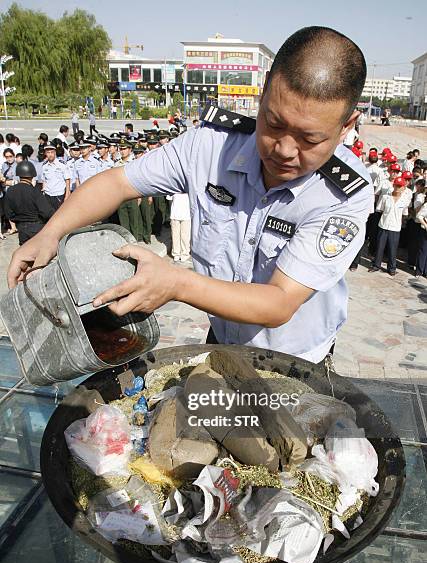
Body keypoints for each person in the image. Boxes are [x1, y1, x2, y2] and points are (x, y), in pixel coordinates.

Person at [8, 26, 374, 366]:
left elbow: (279, 302)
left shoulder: (342, 195)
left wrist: (177, 283)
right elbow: (117, 182)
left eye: (310, 139)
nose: (284, 150)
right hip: (221, 338)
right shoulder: (210, 147)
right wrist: (50, 234)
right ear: (264, 91)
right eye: (273, 123)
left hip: (294, 358)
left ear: (346, 127)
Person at [3, 161, 55, 245]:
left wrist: (19, 221)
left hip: (22, 230)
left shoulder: (10, 190)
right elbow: (47, 212)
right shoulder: (34, 191)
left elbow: (9, 213)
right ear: (32, 175)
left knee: (25, 254)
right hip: (37, 227)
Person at [369, 177, 408, 276]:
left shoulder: (404, 201)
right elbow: (380, 210)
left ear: (403, 188)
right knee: (380, 247)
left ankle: (391, 268)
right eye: (396, 185)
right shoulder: (385, 197)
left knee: (392, 248)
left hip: (395, 228)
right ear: (393, 185)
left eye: (400, 186)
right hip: (383, 225)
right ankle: (376, 265)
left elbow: (404, 214)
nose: (397, 188)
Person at [114, 138, 144, 242]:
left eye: (124, 148)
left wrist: (139, 196)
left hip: (132, 196)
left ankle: (134, 244)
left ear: (130, 149)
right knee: (124, 224)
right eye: (120, 149)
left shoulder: (134, 163)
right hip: (121, 197)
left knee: (134, 223)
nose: (122, 151)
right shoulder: (117, 164)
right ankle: (127, 244)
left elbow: (139, 181)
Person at [41, 142, 71, 210]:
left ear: (55, 152)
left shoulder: (62, 164)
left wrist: (67, 195)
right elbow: (44, 180)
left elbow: (67, 180)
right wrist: (44, 192)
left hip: (59, 194)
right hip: (48, 194)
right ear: (45, 153)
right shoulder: (44, 165)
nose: (50, 154)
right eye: (48, 152)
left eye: (52, 152)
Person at [169, 193, 191, 262]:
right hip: (175, 214)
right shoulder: (174, 187)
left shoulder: (189, 188)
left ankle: (184, 254)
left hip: (186, 214)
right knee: (175, 235)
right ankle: (176, 254)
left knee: (185, 236)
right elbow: (169, 199)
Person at [415, 194, 427, 278]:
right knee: (423, 251)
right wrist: (426, 225)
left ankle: (426, 272)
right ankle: (419, 271)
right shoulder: (426, 205)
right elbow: (419, 216)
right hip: (425, 230)